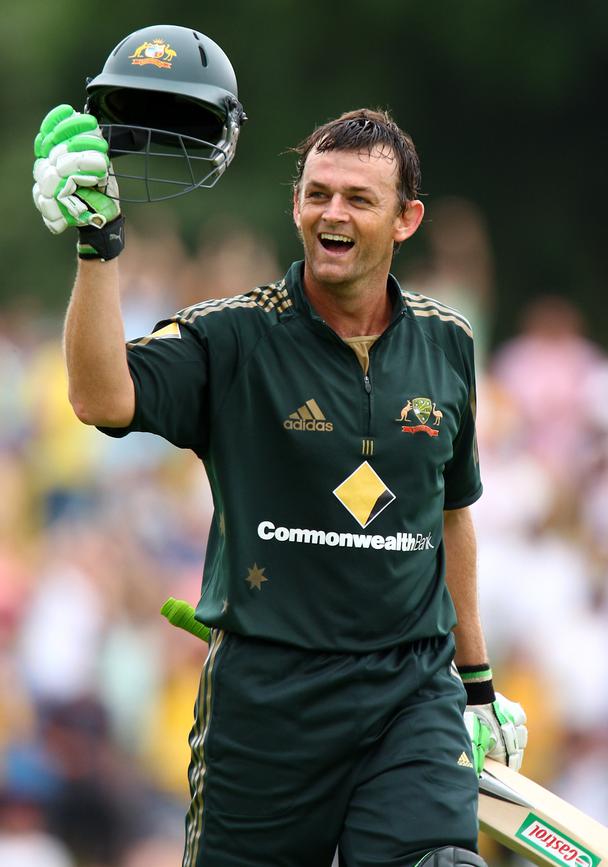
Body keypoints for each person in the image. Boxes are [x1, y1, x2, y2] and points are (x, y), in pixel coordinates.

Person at [34, 94, 527, 867]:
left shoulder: (447, 343)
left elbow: (451, 515)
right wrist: (99, 246)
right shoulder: (235, 334)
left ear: (406, 220)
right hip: (267, 704)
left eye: (359, 198)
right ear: (296, 203)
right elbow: (101, 394)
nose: (332, 212)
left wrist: (476, 683)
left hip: (410, 691)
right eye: (317, 193)